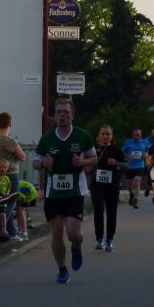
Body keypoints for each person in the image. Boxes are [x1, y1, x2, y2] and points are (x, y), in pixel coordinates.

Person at [33, 98, 97, 284]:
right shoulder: (47, 139)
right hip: (54, 193)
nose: (62, 115)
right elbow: (35, 162)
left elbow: (94, 158)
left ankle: (76, 247)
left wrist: (82, 162)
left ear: (72, 115)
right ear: (54, 115)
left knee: (73, 233)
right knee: (56, 232)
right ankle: (62, 269)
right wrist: (43, 164)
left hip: (75, 192)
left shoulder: (83, 136)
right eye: (59, 112)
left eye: (66, 112)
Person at [88, 125, 126, 253]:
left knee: (111, 212)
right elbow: (87, 165)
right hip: (97, 185)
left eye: (107, 134)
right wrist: (87, 168)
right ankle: (99, 239)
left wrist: (115, 163)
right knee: (98, 210)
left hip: (112, 185)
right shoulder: (93, 150)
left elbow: (126, 165)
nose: (105, 136)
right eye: (103, 134)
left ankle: (109, 240)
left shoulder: (116, 150)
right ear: (98, 136)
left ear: (111, 136)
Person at [0, 112, 27, 239]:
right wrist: (17, 145)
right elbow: (22, 157)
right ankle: (0, 228)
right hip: (11, 174)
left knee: (4, 202)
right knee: (11, 202)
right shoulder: (10, 140)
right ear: (10, 124)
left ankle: (12, 232)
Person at [121, 129, 150, 209]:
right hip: (130, 166)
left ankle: (136, 200)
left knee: (137, 181)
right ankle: (131, 194)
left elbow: (148, 151)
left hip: (140, 165)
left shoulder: (145, 142)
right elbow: (122, 151)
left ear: (141, 135)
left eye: (138, 134)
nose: (137, 136)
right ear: (133, 135)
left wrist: (146, 154)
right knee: (129, 185)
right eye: (135, 134)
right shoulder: (128, 142)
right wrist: (128, 156)